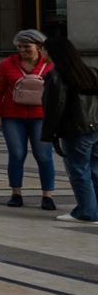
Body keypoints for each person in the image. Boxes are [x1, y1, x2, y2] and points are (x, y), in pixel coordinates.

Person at [0, 28, 58, 211]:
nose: (22, 51)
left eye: (26, 46)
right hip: (12, 116)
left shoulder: (50, 64)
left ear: (39, 46)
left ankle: (47, 195)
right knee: (17, 154)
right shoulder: (6, 64)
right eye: (19, 47)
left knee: (44, 156)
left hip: (42, 116)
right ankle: (16, 193)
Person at [41, 32, 98, 225]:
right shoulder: (91, 72)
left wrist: (49, 134)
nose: (42, 52)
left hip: (76, 130)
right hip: (95, 128)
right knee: (95, 170)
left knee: (79, 171)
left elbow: (54, 107)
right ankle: (93, 210)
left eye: (43, 48)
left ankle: (87, 212)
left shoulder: (56, 75)